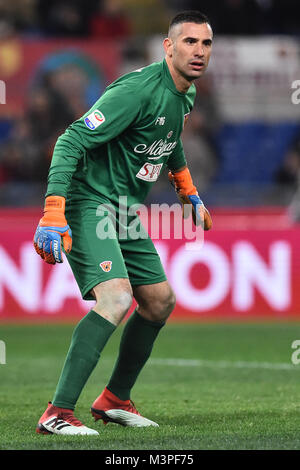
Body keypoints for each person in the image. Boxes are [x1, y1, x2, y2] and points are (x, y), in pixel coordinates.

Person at [33, 10, 213, 436]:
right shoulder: (137, 90)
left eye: (206, 44)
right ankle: (57, 413)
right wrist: (53, 210)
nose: (199, 52)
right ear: (169, 47)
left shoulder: (185, 93)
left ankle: (114, 400)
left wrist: (187, 189)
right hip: (88, 200)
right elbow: (71, 138)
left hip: (123, 210)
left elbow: (168, 141)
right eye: (189, 42)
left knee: (159, 301)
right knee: (115, 300)